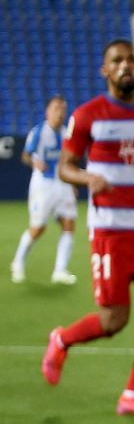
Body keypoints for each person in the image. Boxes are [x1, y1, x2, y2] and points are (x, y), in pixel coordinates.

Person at [40, 42, 134, 417]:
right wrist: (87, 177)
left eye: (130, 60)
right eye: (116, 61)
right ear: (104, 71)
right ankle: (62, 339)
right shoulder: (88, 115)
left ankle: (132, 394)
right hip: (110, 230)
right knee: (114, 321)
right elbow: (65, 167)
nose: (125, 66)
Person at [13, 95, 80, 285]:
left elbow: (69, 161)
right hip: (43, 185)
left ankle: (60, 270)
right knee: (38, 228)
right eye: (56, 108)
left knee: (69, 224)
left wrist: (73, 183)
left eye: (63, 109)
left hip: (63, 183)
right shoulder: (38, 132)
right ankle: (18, 262)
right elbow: (25, 155)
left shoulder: (67, 133)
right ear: (48, 112)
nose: (60, 112)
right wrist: (35, 162)